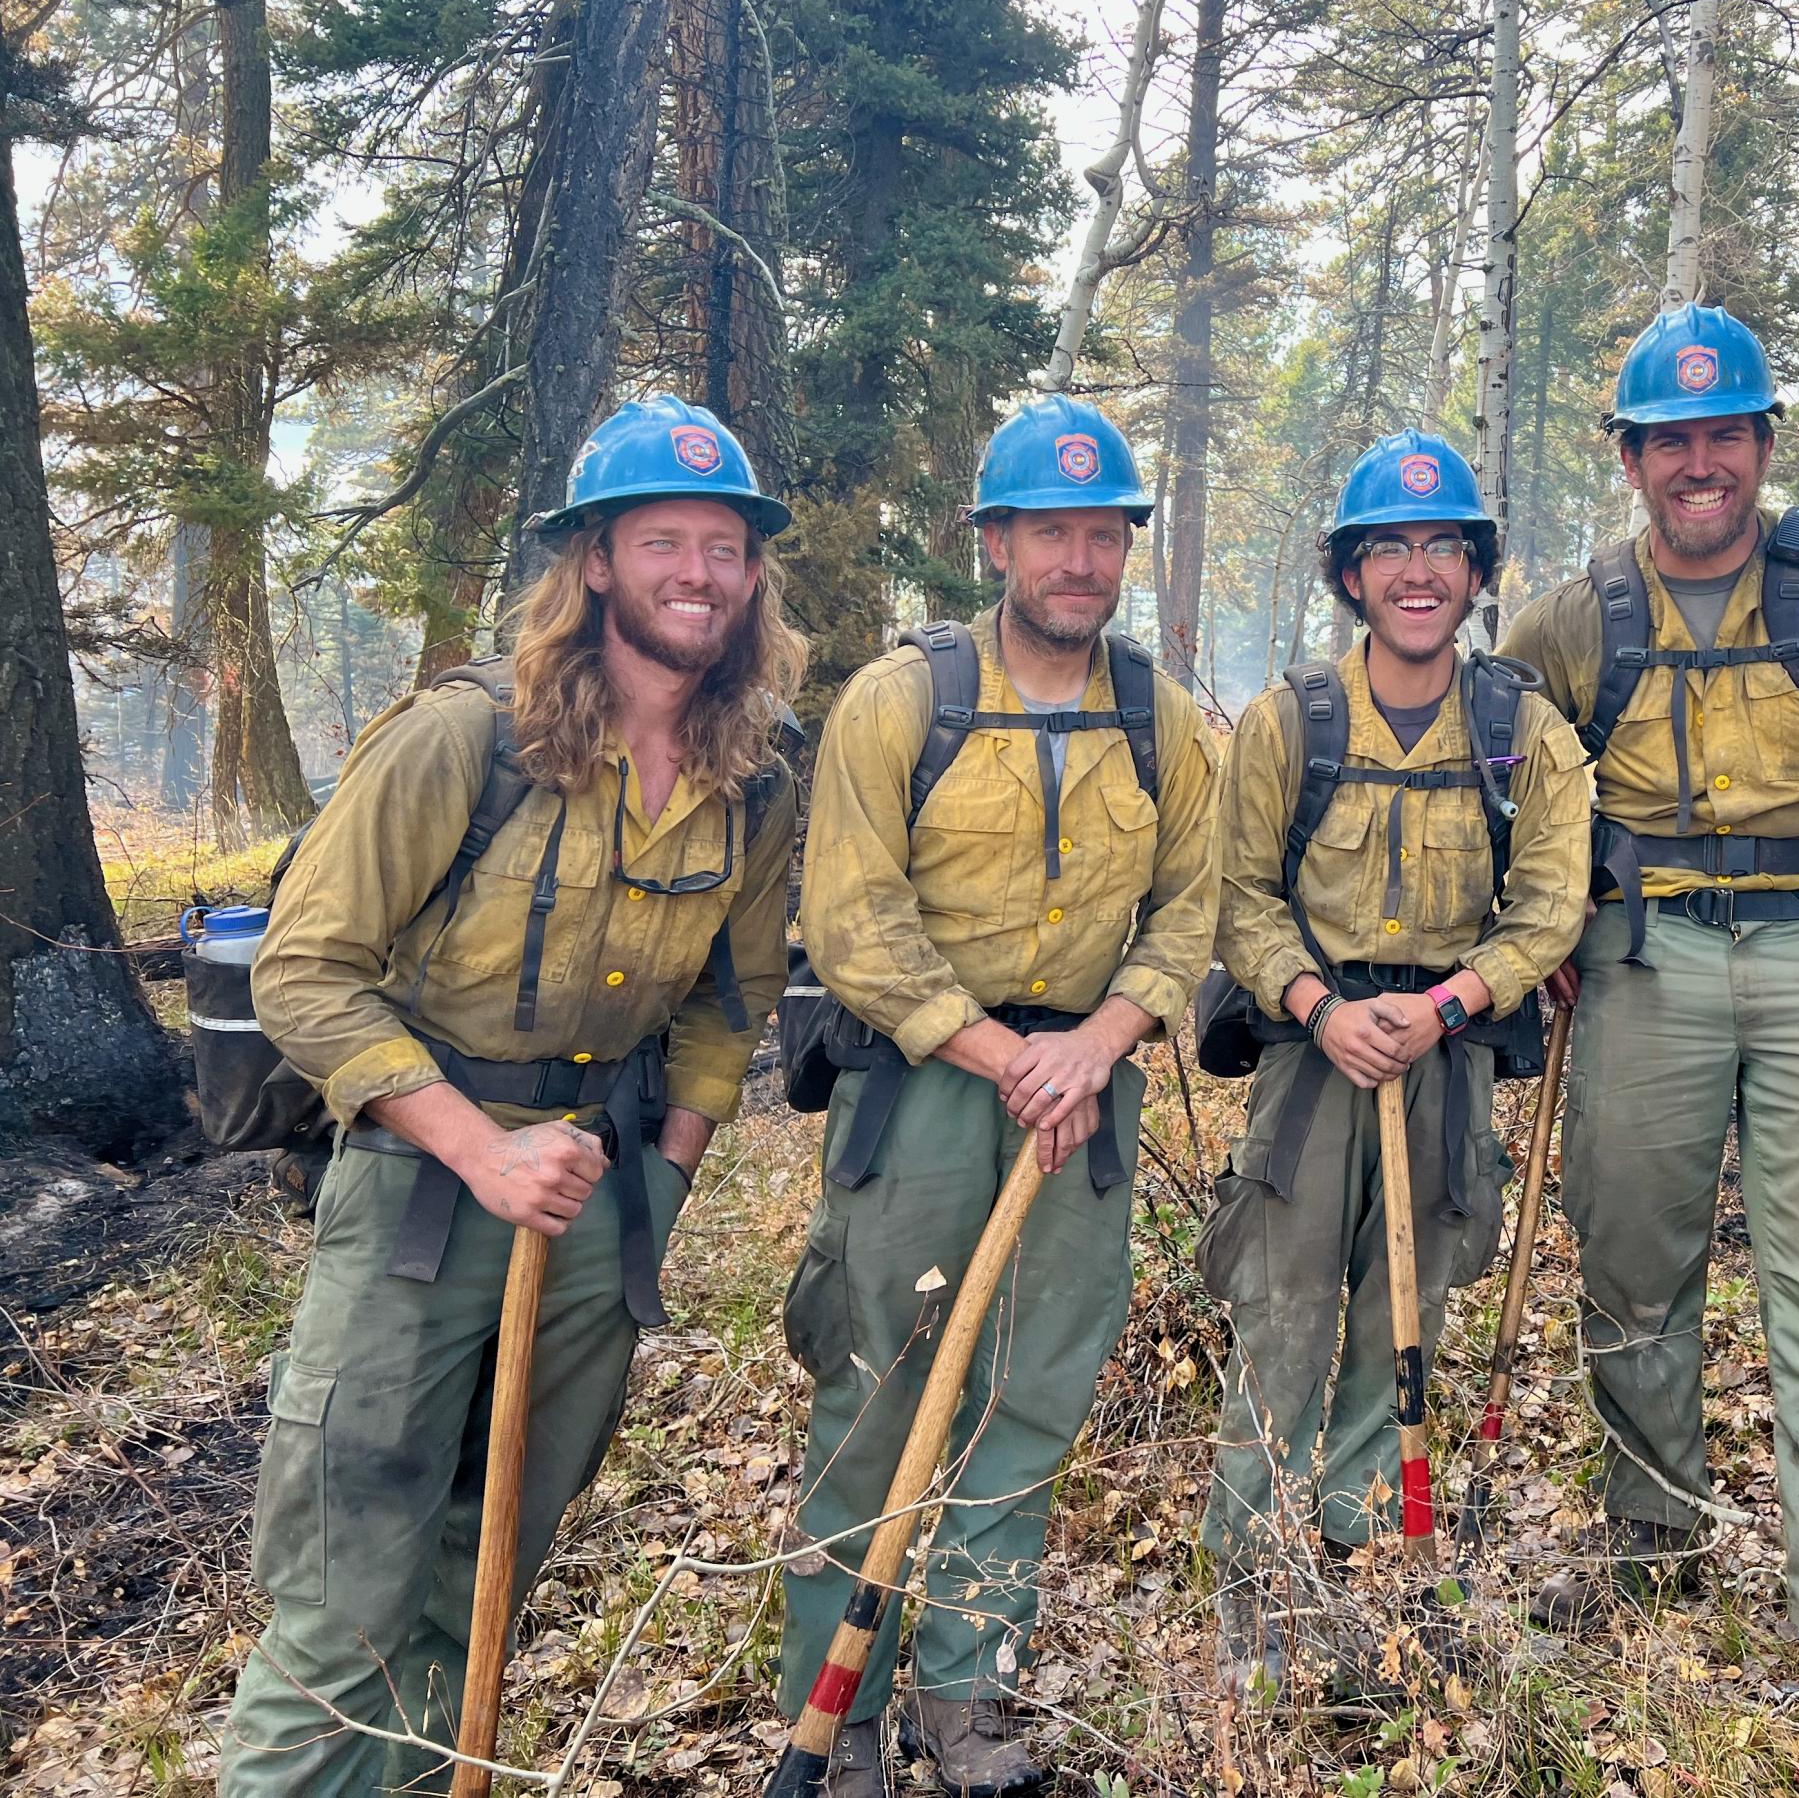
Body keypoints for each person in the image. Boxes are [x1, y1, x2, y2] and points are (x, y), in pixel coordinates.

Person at [220, 396, 806, 1793]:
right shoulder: (465, 740)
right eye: (662, 539)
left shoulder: (758, 773)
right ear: (596, 559)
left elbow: (735, 1003)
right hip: (421, 1199)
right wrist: (481, 1149)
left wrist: (661, 1171)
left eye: (725, 546)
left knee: (490, 1558)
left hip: (598, 1211)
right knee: (343, 1576)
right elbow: (304, 972)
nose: (698, 574)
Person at [1500, 306, 1799, 1790]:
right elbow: (1505, 782)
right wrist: (1550, 926)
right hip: (1644, 963)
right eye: (1669, 441)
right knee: (1633, 1262)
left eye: (1725, 436)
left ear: (1763, 446)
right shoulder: (1573, 619)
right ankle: (1651, 1543)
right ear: (1629, 459)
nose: (1699, 465)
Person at [776, 395, 1219, 1798]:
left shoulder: (1160, 716)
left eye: (1104, 534)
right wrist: (1003, 1053)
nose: (1081, 559)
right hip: (921, 1094)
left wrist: (1098, 1043)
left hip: (1085, 1105)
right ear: (995, 541)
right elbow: (855, 921)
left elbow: (1190, 911)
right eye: (1052, 533)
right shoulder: (901, 699)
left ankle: (967, 1700)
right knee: (875, 1393)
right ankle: (833, 1710)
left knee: (1029, 1402)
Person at [1194, 432, 1591, 1690]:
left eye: (1441, 549)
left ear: (1475, 572)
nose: (1416, 573)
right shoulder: (1285, 722)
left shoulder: (1522, 730)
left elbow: (1548, 903)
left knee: (1398, 1322)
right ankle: (1248, 1585)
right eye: (1388, 550)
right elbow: (1238, 899)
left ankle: (1367, 1555)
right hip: (1313, 1066)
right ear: (1350, 575)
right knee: (1282, 1317)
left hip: (1444, 1056)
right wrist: (1316, 1006)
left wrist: (1455, 1001)